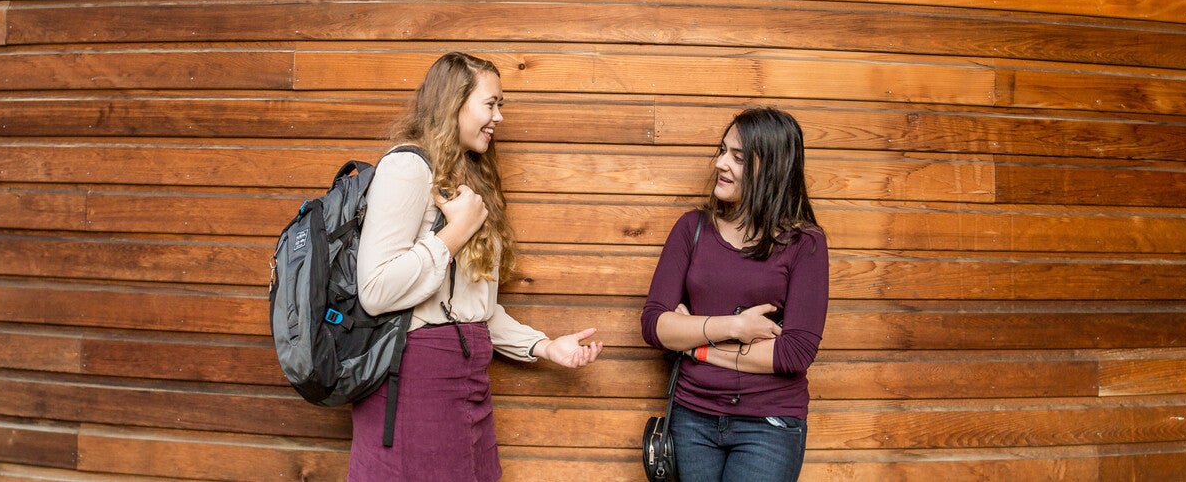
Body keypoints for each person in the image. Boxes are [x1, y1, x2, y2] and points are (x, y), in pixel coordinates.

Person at [351, 52, 604, 481]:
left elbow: (473, 309)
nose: (499, 117)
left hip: (467, 379)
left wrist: (543, 346)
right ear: (454, 103)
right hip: (415, 377)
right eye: (491, 104)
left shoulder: (469, 179)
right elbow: (375, 291)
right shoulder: (407, 168)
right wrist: (455, 233)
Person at [639, 107, 829, 482]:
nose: (721, 163)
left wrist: (694, 344)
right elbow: (654, 325)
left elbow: (794, 353)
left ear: (772, 169)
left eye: (738, 158)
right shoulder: (691, 228)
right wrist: (736, 326)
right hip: (691, 418)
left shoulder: (804, 243)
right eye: (723, 150)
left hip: (769, 424)